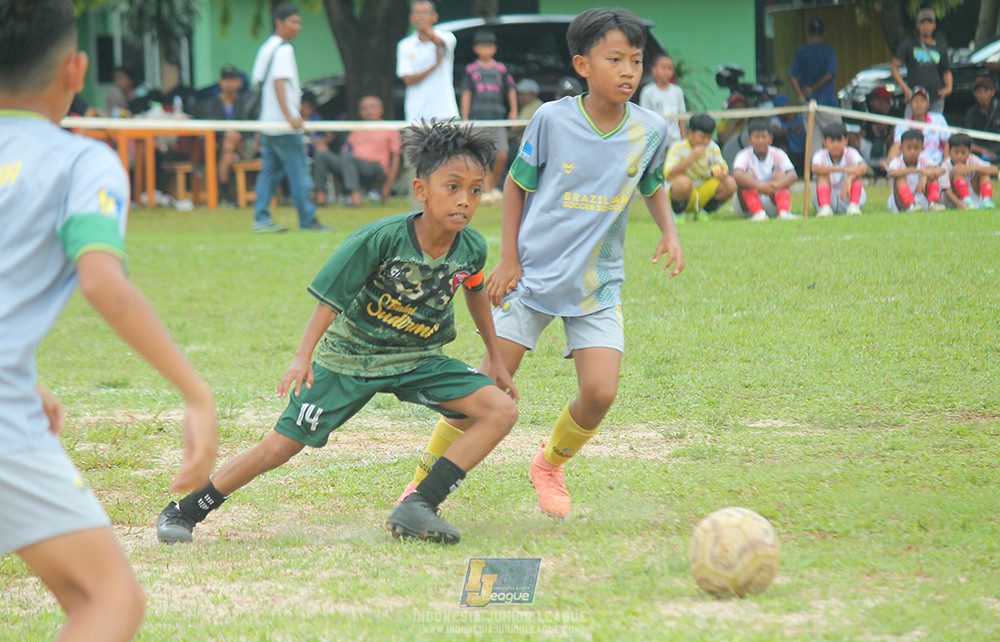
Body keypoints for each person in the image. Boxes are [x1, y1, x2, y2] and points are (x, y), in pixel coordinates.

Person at [156, 121, 518, 546]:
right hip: (351, 358)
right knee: (280, 447)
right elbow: (329, 300)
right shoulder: (380, 239)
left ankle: (420, 504)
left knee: (500, 411)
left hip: (419, 359)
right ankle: (185, 510)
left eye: (475, 190)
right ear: (421, 190)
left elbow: (474, 290)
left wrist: (495, 357)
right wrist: (302, 356)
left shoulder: (471, 246)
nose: (464, 201)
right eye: (452, 187)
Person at [396, 8, 685, 519]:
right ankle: (420, 483)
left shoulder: (652, 129)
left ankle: (549, 464)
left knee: (600, 393)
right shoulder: (552, 119)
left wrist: (670, 231)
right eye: (614, 59)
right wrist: (509, 258)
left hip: (597, 283)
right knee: (484, 388)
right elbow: (516, 185)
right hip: (530, 279)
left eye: (636, 61)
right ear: (583, 65)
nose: (628, 72)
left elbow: (652, 182)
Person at [0, 1, 219, 642]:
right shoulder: (80, 162)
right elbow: (102, 282)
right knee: (108, 600)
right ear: (76, 70)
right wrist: (196, 394)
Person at [250, 3, 329, 233]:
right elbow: (279, 82)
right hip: (284, 125)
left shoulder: (266, 48)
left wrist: (262, 123)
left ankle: (261, 218)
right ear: (279, 22)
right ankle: (308, 219)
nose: (298, 27)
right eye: (293, 22)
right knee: (299, 173)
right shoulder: (284, 50)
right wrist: (289, 116)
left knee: (269, 173)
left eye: (299, 22)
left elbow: (258, 84)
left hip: (268, 124)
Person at [312, 95, 402, 206]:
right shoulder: (357, 129)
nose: (368, 111)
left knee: (348, 158)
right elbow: (345, 150)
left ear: (381, 109)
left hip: (376, 168)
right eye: (364, 108)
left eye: (372, 107)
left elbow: (396, 158)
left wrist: (388, 185)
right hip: (351, 164)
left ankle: (355, 198)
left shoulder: (390, 128)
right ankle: (320, 197)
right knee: (322, 155)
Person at [459, 30, 517, 202]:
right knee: (480, 156)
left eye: (489, 47)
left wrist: (513, 111)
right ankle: (485, 191)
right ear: (476, 49)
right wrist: (465, 117)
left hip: (497, 116)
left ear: (494, 49)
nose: (486, 50)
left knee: (502, 154)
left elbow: (511, 89)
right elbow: (466, 93)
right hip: (478, 117)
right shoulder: (471, 70)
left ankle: (492, 185)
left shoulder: (501, 69)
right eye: (482, 47)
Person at [193, 65, 255, 207]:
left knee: (229, 145)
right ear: (220, 82)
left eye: (232, 79)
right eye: (225, 79)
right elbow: (211, 126)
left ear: (239, 82)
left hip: (244, 145)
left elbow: (251, 127)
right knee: (227, 148)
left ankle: (224, 194)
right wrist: (227, 135)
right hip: (219, 146)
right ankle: (226, 194)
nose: (229, 84)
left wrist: (237, 137)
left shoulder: (245, 102)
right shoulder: (212, 103)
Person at [663, 113, 736, 221]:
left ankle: (704, 213)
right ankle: (678, 214)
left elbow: (723, 167)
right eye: (702, 137)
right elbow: (668, 175)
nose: (706, 142)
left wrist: (723, 173)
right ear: (690, 134)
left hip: (702, 191)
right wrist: (691, 158)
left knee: (730, 183)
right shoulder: (677, 147)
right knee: (683, 183)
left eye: (709, 138)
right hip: (682, 192)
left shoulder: (713, 148)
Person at [396, 1, 459, 123]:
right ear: (411, 18)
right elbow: (408, 80)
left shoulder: (447, 37)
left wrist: (429, 34)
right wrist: (433, 66)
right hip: (417, 115)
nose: (421, 16)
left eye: (425, 12)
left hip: (444, 112)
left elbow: (442, 44)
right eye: (417, 13)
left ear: (434, 17)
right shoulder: (405, 45)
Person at [732, 118, 800, 220]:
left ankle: (783, 212)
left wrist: (776, 185)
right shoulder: (743, 155)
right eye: (756, 137)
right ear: (749, 140)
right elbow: (737, 175)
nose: (760, 141)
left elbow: (792, 175)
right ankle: (758, 213)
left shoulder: (778, 153)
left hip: (772, 199)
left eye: (764, 137)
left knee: (781, 176)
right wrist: (760, 187)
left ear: (771, 139)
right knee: (744, 178)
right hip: (747, 205)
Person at [789, 17, 838, 152]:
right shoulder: (829, 51)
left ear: (808, 33)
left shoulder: (801, 52)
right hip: (827, 103)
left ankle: (815, 166)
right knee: (836, 138)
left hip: (808, 104)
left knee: (814, 142)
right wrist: (813, 88)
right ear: (824, 33)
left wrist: (802, 97)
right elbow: (829, 74)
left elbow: (792, 77)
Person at [891, 8, 952, 114]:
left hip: (935, 99)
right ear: (917, 25)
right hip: (915, 98)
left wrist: (949, 88)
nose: (925, 26)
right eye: (922, 23)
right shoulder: (909, 45)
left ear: (934, 26)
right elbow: (894, 67)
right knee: (911, 123)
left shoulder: (941, 48)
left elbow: (946, 71)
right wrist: (905, 88)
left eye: (929, 23)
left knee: (934, 124)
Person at [811, 122, 868, 217]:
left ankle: (854, 206)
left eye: (839, 141)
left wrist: (850, 178)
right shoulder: (820, 154)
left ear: (846, 141)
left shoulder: (851, 153)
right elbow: (815, 168)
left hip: (847, 195)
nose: (836, 145)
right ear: (824, 142)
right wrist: (842, 169)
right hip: (828, 197)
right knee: (822, 176)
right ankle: (825, 208)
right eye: (832, 141)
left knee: (857, 176)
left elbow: (863, 168)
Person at [886, 129, 946, 212]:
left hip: (920, 199)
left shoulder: (925, 160)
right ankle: (910, 205)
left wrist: (924, 176)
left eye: (916, 148)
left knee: (932, 176)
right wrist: (917, 170)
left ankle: (934, 203)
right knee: (899, 177)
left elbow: (940, 170)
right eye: (909, 148)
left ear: (922, 148)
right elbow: (891, 172)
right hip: (900, 203)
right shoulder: (897, 161)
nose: (912, 151)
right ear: (901, 148)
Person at [886, 86, 949, 165]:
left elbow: (947, 144)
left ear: (928, 104)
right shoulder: (902, 124)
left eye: (922, 101)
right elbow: (897, 145)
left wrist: (945, 165)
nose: (919, 104)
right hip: (910, 167)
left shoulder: (939, 119)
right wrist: (888, 161)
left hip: (935, 166)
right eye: (915, 101)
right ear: (910, 105)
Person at [638, 54, 686, 150]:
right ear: (654, 70)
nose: (666, 72)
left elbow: (681, 117)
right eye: (663, 68)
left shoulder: (677, 91)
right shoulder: (648, 92)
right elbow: (644, 118)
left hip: (674, 140)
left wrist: (683, 139)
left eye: (669, 68)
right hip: (656, 140)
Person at [939, 133, 997, 209]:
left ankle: (986, 200)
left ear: (969, 151)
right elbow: (947, 191)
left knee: (984, 172)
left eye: (963, 152)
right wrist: (960, 204)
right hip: (955, 201)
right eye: (956, 152)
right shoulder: (945, 166)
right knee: (957, 171)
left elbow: (994, 169)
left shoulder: (972, 159)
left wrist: (970, 168)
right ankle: (966, 200)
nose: (959, 156)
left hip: (973, 194)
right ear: (950, 151)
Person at [852, 85, 898, 172]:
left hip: (889, 151)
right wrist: (852, 135)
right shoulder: (872, 114)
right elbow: (863, 133)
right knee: (851, 136)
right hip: (872, 149)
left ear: (882, 100)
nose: (870, 103)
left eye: (873, 100)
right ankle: (863, 168)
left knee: (891, 139)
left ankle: (888, 168)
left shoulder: (897, 114)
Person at [963, 76, 1000, 161]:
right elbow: (967, 141)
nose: (982, 95)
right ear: (974, 94)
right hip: (981, 153)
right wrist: (984, 151)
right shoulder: (971, 113)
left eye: (985, 91)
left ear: (992, 92)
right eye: (979, 92)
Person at [769, 93, 806, 176]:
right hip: (791, 155)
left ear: (789, 105)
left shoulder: (802, 118)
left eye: (781, 107)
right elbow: (773, 131)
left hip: (805, 153)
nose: (779, 111)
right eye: (777, 109)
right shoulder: (777, 120)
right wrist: (790, 130)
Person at [718, 92, 750, 168]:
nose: (739, 111)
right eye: (736, 108)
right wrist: (734, 122)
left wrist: (747, 122)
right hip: (730, 155)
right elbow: (722, 140)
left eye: (742, 108)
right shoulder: (724, 123)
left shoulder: (749, 123)